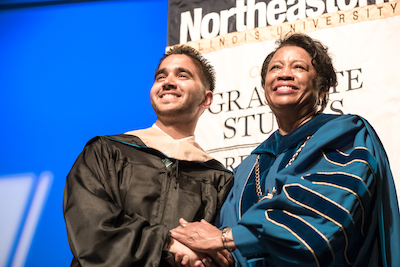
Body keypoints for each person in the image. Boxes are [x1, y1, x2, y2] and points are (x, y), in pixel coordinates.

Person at [170, 33, 400, 266]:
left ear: (321, 89)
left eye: (298, 66)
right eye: (275, 67)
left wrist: (224, 238)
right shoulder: (247, 169)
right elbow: (230, 250)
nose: (284, 73)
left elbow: (322, 219)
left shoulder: (346, 135)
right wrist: (214, 259)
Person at [63, 45, 234, 267]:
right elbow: (90, 227)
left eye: (182, 75)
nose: (168, 81)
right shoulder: (106, 152)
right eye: (160, 76)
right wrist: (168, 244)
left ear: (206, 99)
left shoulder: (218, 178)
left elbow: (223, 254)